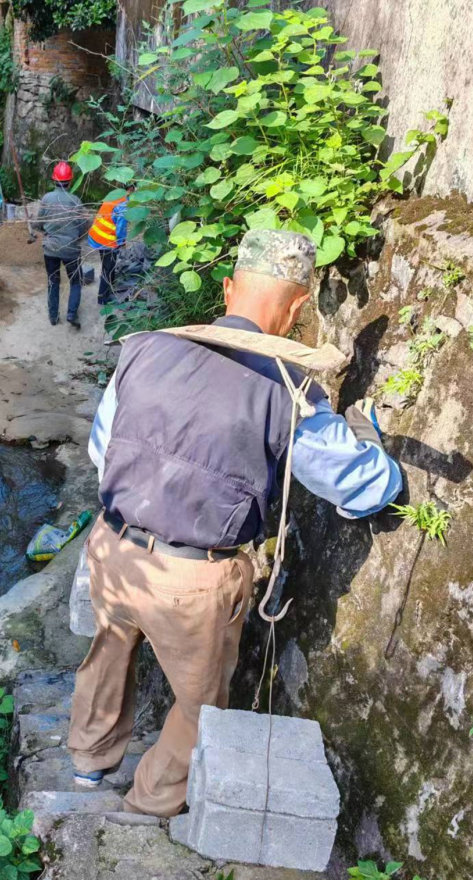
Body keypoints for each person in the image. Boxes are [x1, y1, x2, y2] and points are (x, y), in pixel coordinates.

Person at [68, 229, 402, 818]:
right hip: (192, 578)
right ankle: (149, 805)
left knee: (109, 648)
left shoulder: (144, 349)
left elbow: (102, 451)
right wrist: (373, 445)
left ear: (227, 288)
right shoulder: (289, 388)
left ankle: (88, 762)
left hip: (112, 548)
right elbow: (365, 489)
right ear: (299, 308)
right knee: (200, 705)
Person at [35, 162, 89, 329]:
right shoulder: (75, 201)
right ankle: (71, 313)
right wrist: (76, 238)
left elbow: (39, 223)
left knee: (53, 281)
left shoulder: (46, 199)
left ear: (54, 180)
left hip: (50, 248)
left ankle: (53, 317)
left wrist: (45, 230)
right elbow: (84, 224)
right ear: (70, 181)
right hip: (71, 249)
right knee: (75, 282)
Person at [87, 192, 128, 305]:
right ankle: (102, 298)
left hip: (97, 235)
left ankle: (111, 283)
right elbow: (120, 230)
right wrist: (121, 243)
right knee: (107, 268)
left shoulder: (115, 195)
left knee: (108, 264)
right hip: (107, 240)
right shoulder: (124, 205)